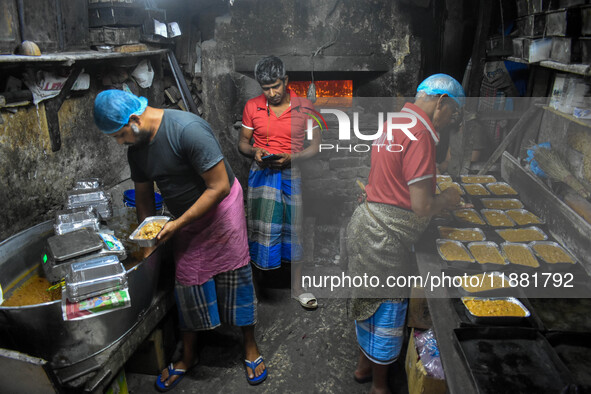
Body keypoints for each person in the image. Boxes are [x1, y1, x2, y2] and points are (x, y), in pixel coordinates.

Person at [93, 90, 267, 391]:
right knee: (187, 282)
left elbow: (220, 187)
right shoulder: (137, 150)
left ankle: (250, 345)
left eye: (119, 135)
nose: (120, 143)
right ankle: (188, 356)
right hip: (183, 218)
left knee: (236, 276)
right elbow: (144, 198)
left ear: (134, 120)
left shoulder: (187, 130)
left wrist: (178, 224)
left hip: (220, 210)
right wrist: (148, 245)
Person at [346, 74, 466, 394]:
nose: (450, 121)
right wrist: (449, 199)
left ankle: (362, 369)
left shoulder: (397, 120)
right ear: (441, 102)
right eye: (452, 113)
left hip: (365, 225)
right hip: (386, 238)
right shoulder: (422, 133)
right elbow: (422, 206)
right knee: (387, 309)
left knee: (367, 301)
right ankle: (381, 387)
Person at [238, 56, 321, 309]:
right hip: (262, 174)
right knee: (259, 228)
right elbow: (242, 142)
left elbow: (316, 147)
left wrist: (292, 158)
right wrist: (255, 152)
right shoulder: (252, 106)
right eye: (265, 88)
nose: (272, 93)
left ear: (285, 80)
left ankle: (297, 289)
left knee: (293, 229)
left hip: (290, 173)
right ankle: (256, 288)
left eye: (276, 86)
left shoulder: (306, 106)